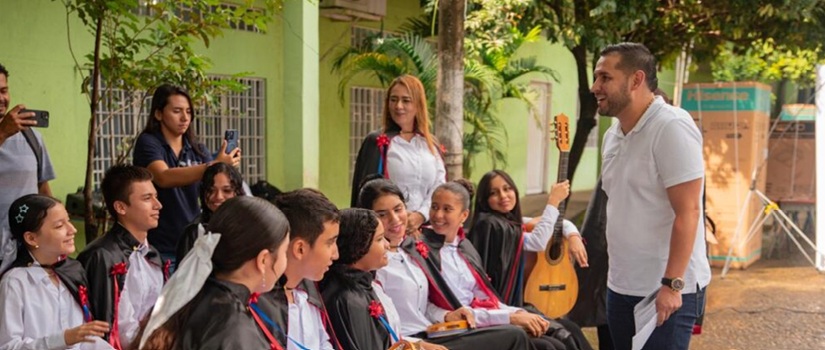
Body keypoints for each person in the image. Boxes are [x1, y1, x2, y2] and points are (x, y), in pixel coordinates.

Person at [591, 42, 710, 350]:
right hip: (620, 285)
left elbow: (689, 212)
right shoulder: (612, 134)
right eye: (596, 77)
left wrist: (672, 285)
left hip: (665, 290)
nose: (595, 87)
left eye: (605, 77)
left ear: (636, 80)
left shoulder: (671, 126)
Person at [358, 178, 532, 350]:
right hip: (411, 343)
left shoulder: (410, 249)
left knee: (525, 336)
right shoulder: (375, 263)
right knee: (514, 337)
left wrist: (448, 315)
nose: (394, 219)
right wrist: (417, 346)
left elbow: (423, 307)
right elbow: (378, 328)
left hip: (434, 331)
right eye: (382, 214)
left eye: (398, 209)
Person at [421, 182, 592, 350]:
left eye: (447, 209)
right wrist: (510, 316)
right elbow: (538, 241)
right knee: (549, 345)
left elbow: (485, 297)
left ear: (464, 215)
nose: (437, 215)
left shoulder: (465, 246)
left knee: (567, 332)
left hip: (487, 314)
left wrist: (573, 234)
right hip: (459, 327)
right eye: (434, 207)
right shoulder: (487, 227)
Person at [136, 196, 290, 350]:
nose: (285, 261)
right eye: (284, 252)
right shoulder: (235, 329)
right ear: (263, 260)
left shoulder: (192, 298)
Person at [133, 84, 241, 267]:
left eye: (189, 112)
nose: (185, 118)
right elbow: (163, 176)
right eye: (177, 111)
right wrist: (215, 164)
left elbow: (214, 187)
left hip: (195, 244)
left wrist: (224, 168)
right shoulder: (148, 143)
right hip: (162, 246)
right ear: (158, 114)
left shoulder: (198, 150)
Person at [321, 208, 449, 350]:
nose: (387, 245)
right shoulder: (348, 299)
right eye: (379, 239)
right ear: (359, 246)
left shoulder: (367, 284)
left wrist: (419, 346)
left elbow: (387, 339)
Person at [0, 194, 111, 350]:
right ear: (32, 238)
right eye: (59, 226)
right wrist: (63, 339)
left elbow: (85, 340)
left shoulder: (72, 271)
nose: (72, 230)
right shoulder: (15, 282)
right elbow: (7, 346)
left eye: (69, 221)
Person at [77, 165, 167, 350]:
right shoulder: (102, 256)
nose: (158, 205)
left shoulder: (152, 253)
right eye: (147, 198)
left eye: (155, 197)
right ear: (120, 207)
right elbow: (112, 326)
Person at [469, 170, 584, 306]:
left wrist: (573, 236)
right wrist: (553, 201)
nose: (503, 196)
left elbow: (556, 222)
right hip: (494, 305)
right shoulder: (491, 225)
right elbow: (538, 242)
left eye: (507, 189)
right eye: (494, 193)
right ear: (485, 199)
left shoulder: (508, 222)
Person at [350, 75, 445, 234]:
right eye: (393, 100)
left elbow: (439, 186)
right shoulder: (378, 143)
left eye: (406, 100)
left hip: (425, 232)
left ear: (418, 104)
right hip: (387, 233)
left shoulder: (430, 144)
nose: (398, 106)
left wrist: (420, 215)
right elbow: (368, 194)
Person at [266, 189, 341, 350]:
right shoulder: (263, 305)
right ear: (300, 249)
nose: (336, 254)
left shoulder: (307, 292)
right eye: (330, 243)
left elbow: (323, 342)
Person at [0, 63, 56, 274]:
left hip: (28, 250)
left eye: (4, 90)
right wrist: (2, 133)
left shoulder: (31, 136)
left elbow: (42, 188)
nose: (1, 98)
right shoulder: (6, 131)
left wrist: (59, 226)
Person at [175, 163, 245, 263]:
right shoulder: (194, 232)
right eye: (211, 190)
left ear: (238, 193)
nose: (219, 196)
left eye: (227, 190)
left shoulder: (250, 226)